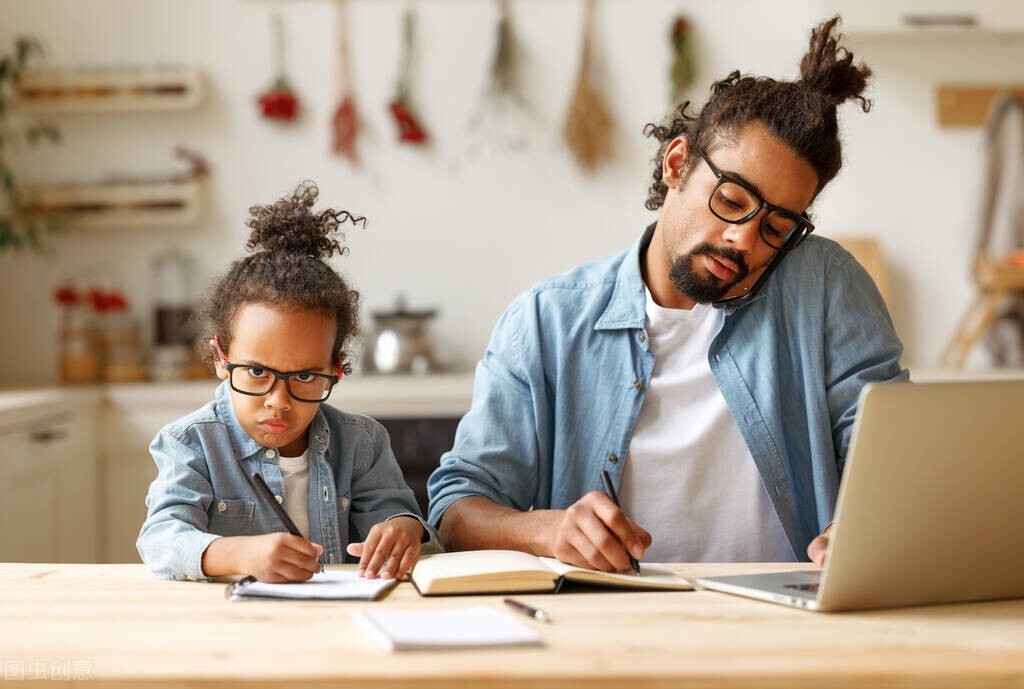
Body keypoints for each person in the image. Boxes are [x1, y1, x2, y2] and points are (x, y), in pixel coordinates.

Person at [427, 17, 908, 571]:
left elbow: (891, 448)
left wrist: (861, 524)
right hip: (610, 625)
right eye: (731, 199)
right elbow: (456, 509)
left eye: (777, 227)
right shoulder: (545, 320)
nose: (744, 239)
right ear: (676, 164)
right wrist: (548, 529)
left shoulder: (825, 285)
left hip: (787, 625)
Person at [138, 182, 439, 583]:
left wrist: (406, 529)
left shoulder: (361, 443)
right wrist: (239, 554)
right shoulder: (192, 443)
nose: (278, 401)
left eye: (304, 376)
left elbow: (398, 518)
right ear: (221, 359)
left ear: (335, 369)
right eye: (258, 372)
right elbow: (161, 540)